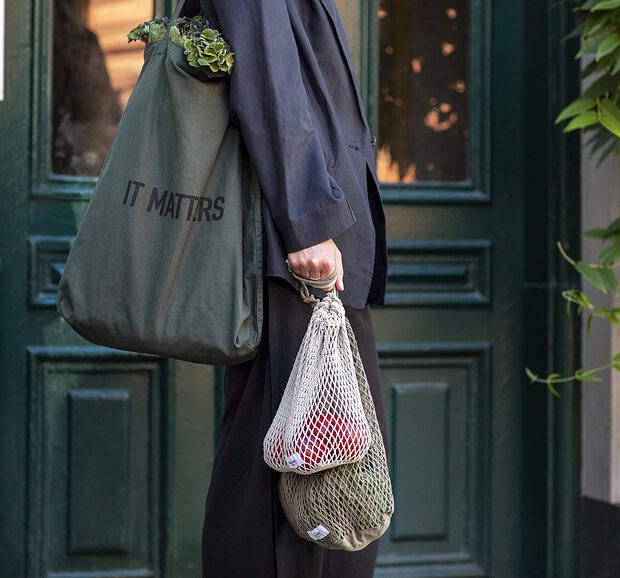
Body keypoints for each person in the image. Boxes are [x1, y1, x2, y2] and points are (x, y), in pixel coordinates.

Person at [194, 0, 389, 576]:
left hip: (312, 246)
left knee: (325, 475)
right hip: (299, 256)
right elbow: (267, 76)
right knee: (284, 497)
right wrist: (307, 223)